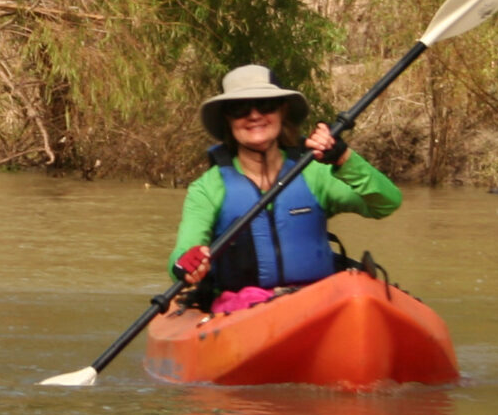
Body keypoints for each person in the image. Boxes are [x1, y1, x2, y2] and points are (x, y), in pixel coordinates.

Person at [168, 64, 402, 313]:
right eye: (240, 109)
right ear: (228, 119)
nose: (254, 115)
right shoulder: (207, 187)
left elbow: (387, 203)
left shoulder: (314, 173)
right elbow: (181, 255)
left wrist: (345, 159)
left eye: (265, 104)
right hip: (241, 312)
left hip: (318, 303)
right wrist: (187, 263)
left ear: (282, 111)